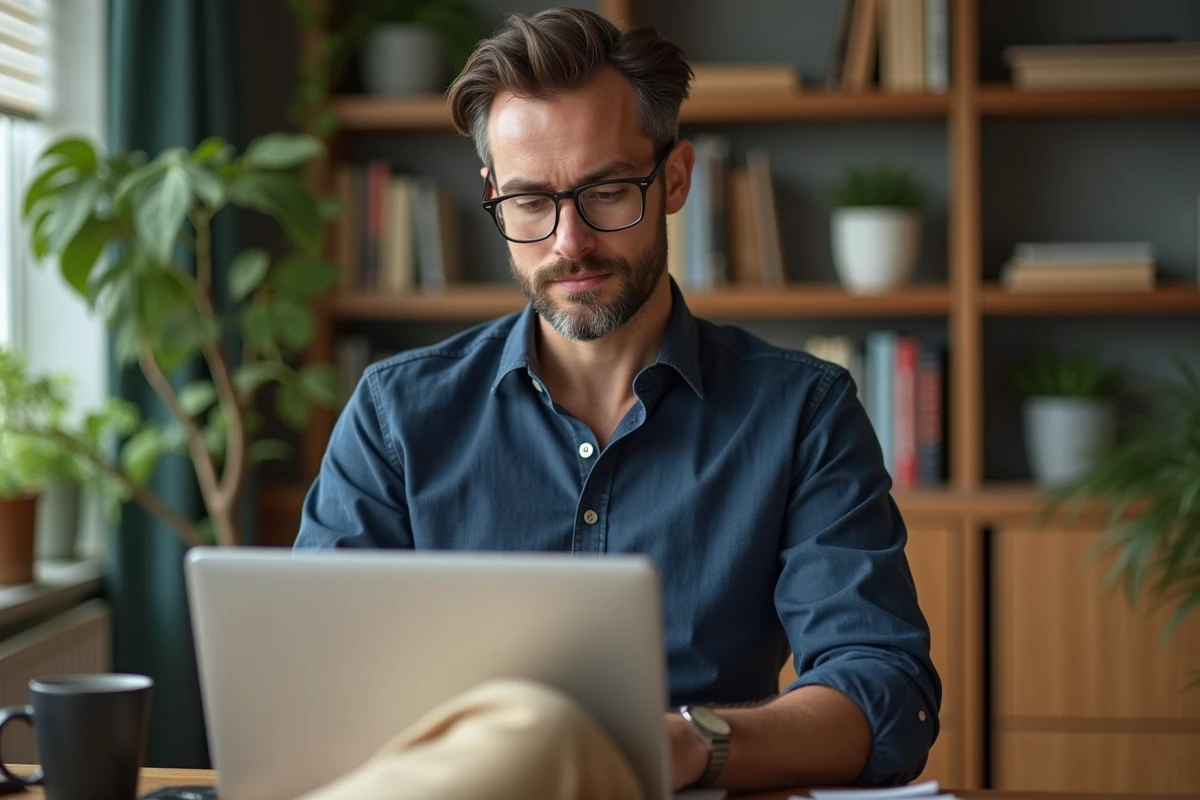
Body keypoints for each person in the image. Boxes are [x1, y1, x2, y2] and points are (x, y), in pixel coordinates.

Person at [294, 6, 941, 794]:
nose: (569, 242)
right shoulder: (395, 415)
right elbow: (316, 684)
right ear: (493, 195)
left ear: (674, 178)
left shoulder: (803, 412)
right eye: (530, 202)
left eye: (604, 192)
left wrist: (691, 743)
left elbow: (885, 694)